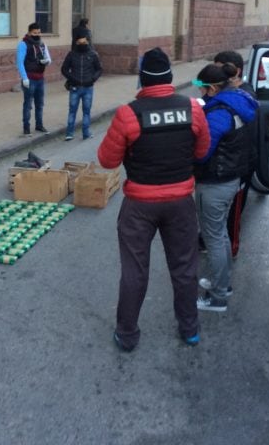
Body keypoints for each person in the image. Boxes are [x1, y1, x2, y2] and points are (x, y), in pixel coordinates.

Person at [97, 48, 210, 351]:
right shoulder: (193, 109)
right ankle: (190, 330)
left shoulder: (128, 113)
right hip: (181, 203)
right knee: (185, 268)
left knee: (135, 271)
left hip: (139, 206)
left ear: (142, 79)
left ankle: (127, 334)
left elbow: (107, 161)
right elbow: (201, 151)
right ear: (170, 78)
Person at [192, 63, 258, 312]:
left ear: (211, 89)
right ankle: (224, 283)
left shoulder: (219, 114)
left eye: (202, 89)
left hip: (214, 182)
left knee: (214, 238)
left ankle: (218, 296)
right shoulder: (241, 101)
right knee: (220, 234)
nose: (200, 95)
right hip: (231, 179)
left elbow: (202, 153)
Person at [213, 50, 258, 259]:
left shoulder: (246, 97)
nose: (216, 73)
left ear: (236, 71)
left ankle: (231, 246)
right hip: (223, 165)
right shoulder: (224, 92)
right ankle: (210, 239)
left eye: (220, 68)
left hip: (240, 166)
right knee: (217, 209)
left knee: (234, 210)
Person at [61, 30, 102, 141]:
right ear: (76, 42)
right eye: (80, 42)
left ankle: (86, 133)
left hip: (88, 87)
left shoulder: (93, 54)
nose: (83, 44)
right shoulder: (71, 54)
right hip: (75, 87)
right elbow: (64, 69)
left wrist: (93, 79)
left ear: (88, 42)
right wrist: (72, 78)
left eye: (84, 42)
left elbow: (99, 69)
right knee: (72, 110)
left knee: (86, 111)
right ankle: (69, 133)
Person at [16, 22, 52, 135]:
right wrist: (24, 78)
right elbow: (20, 62)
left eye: (39, 32)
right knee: (28, 104)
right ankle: (26, 128)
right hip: (29, 79)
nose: (37, 34)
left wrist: (47, 62)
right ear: (29, 32)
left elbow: (48, 57)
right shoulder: (23, 44)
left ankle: (39, 125)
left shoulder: (42, 44)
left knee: (40, 104)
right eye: (34, 33)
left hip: (40, 78)